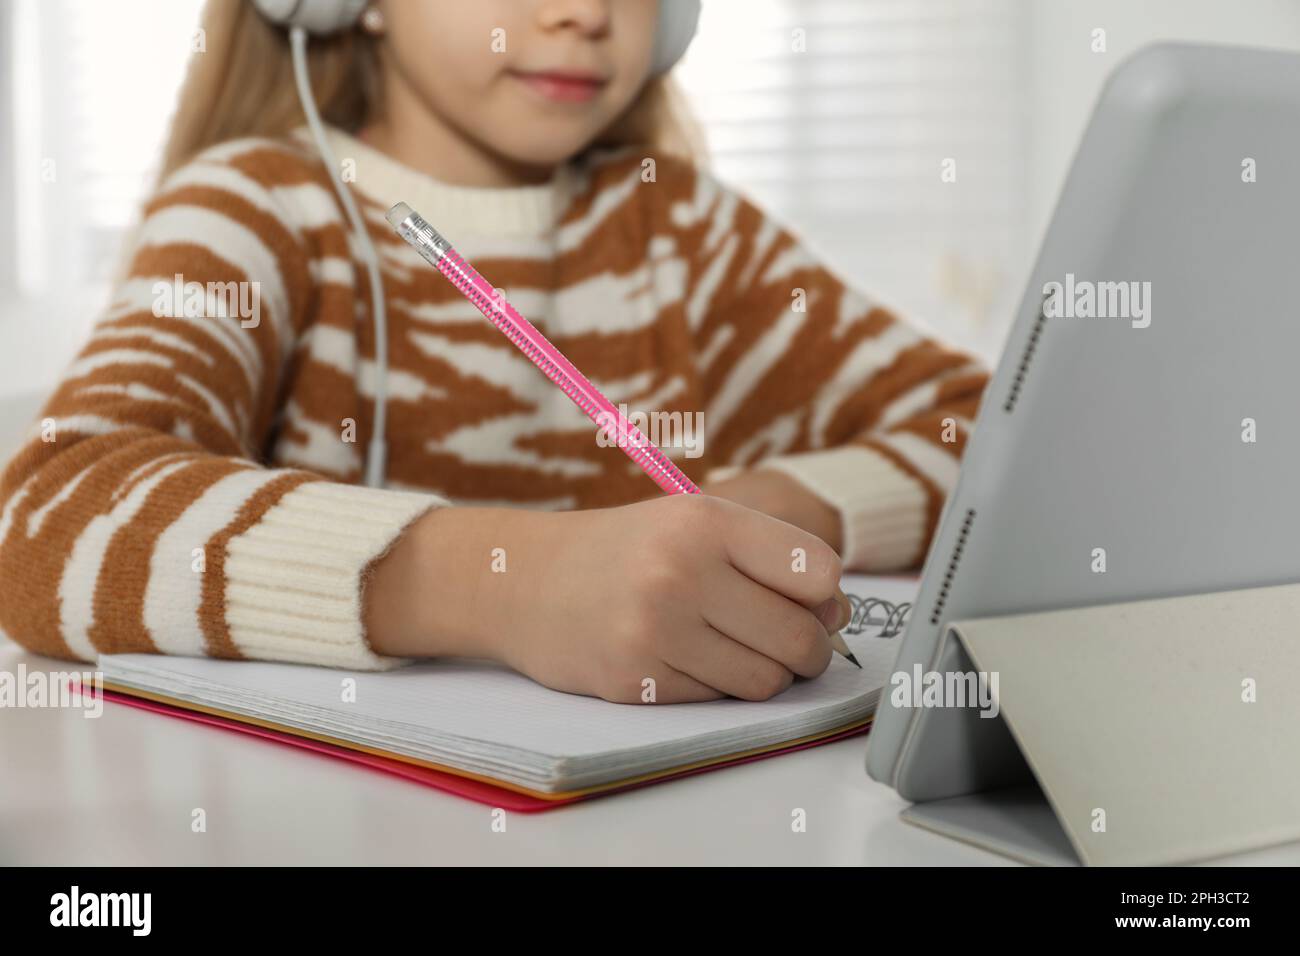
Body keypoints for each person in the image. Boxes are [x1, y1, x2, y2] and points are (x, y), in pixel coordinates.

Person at [0, 0, 986, 703]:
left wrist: (776, 509)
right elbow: (45, 518)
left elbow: (993, 423)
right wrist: (514, 585)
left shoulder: (681, 230)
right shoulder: (257, 209)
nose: (585, 12)